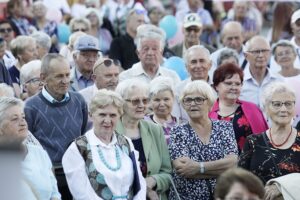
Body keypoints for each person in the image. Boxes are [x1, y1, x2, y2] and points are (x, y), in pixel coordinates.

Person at [24, 53, 88, 199]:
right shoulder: (30, 107)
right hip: (47, 176)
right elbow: (28, 144)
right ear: (43, 78)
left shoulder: (79, 100)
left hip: (77, 172)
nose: (65, 81)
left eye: (67, 75)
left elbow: (82, 132)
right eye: (59, 76)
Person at [62, 89, 146, 199]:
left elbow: (139, 183)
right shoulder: (77, 149)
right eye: (102, 115)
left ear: (119, 116)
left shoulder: (126, 142)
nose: (107, 120)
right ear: (91, 115)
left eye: (112, 115)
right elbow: (82, 194)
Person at [168, 80, 238, 200]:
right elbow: (182, 169)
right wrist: (220, 169)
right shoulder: (178, 131)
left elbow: (232, 163)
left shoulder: (224, 127)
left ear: (210, 103)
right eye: (188, 100)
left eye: (199, 99)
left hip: (221, 196)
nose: (193, 104)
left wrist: (198, 167)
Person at [116, 79, 172, 200]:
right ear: (121, 103)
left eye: (145, 100)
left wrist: (153, 180)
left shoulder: (156, 130)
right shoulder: (111, 132)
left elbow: (168, 172)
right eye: (135, 101)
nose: (141, 105)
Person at [239, 82, 300, 184]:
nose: (283, 109)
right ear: (266, 108)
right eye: (277, 104)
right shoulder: (253, 142)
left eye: (288, 104)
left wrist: (282, 189)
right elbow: (240, 180)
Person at [0, 97, 61, 200]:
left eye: (23, 117)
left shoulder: (39, 153)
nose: (22, 123)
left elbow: (54, 193)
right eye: (15, 119)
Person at [209, 63, 268, 152]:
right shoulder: (207, 112)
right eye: (228, 83)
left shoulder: (253, 109)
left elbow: (264, 142)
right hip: (217, 165)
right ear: (216, 86)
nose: (234, 87)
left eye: (237, 84)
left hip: (248, 164)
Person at [240, 36, 283, 108]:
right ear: (246, 56)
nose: (261, 55)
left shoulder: (280, 81)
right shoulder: (238, 82)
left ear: (270, 53)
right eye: (256, 52)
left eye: (264, 51)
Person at [173, 45, 212, 123]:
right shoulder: (178, 90)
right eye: (193, 62)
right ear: (186, 67)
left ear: (210, 64)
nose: (198, 66)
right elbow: (176, 121)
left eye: (202, 61)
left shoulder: (219, 87)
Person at [146, 76, 177, 144]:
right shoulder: (144, 124)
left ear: (173, 99)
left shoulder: (180, 124)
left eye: (166, 99)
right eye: (157, 100)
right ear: (150, 101)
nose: (162, 104)